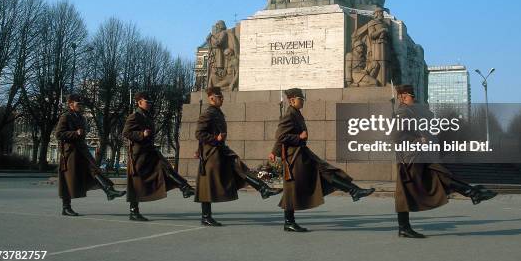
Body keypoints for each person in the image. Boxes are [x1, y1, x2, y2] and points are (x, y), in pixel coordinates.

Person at [393, 84, 498, 238]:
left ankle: (472, 193)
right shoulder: (402, 111)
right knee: (433, 179)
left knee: (431, 179)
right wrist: (417, 140)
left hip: (414, 157)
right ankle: (472, 192)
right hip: (410, 158)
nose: (413, 99)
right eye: (411, 96)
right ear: (403, 96)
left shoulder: (407, 110)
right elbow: (396, 135)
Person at [269, 88, 375, 232]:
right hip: (295, 157)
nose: (303, 102)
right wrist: (298, 138)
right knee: (292, 188)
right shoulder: (289, 115)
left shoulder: (296, 114)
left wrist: (274, 151)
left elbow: (282, 135)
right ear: (292, 100)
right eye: (301, 99)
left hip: (303, 154)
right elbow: (280, 136)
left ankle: (354, 190)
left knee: (327, 171)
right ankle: (288, 221)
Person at [195, 86, 282, 226]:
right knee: (208, 185)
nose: (222, 99)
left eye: (222, 96)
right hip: (212, 154)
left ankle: (263, 189)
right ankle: (206, 216)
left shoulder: (217, 112)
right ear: (212, 98)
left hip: (221, 151)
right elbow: (199, 134)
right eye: (220, 97)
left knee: (240, 168)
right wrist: (214, 139)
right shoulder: (208, 113)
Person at [122, 92, 195, 221]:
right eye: (147, 102)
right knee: (136, 182)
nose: (149, 104)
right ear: (139, 102)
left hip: (150, 151)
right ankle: (133, 211)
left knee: (166, 167)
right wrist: (141, 134)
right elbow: (126, 132)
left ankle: (185, 187)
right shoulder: (135, 116)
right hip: (138, 154)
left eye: (150, 102)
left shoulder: (148, 116)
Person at [55, 94, 126, 216]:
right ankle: (66, 207)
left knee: (94, 169)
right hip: (70, 153)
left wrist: (80, 134)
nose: (80, 107)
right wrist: (75, 133)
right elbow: (59, 134)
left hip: (82, 150)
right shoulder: (65, 117)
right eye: (78, 104)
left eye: (81, 104)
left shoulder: (81, 118)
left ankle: (109, 191)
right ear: (70, 104)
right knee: (67, 179)